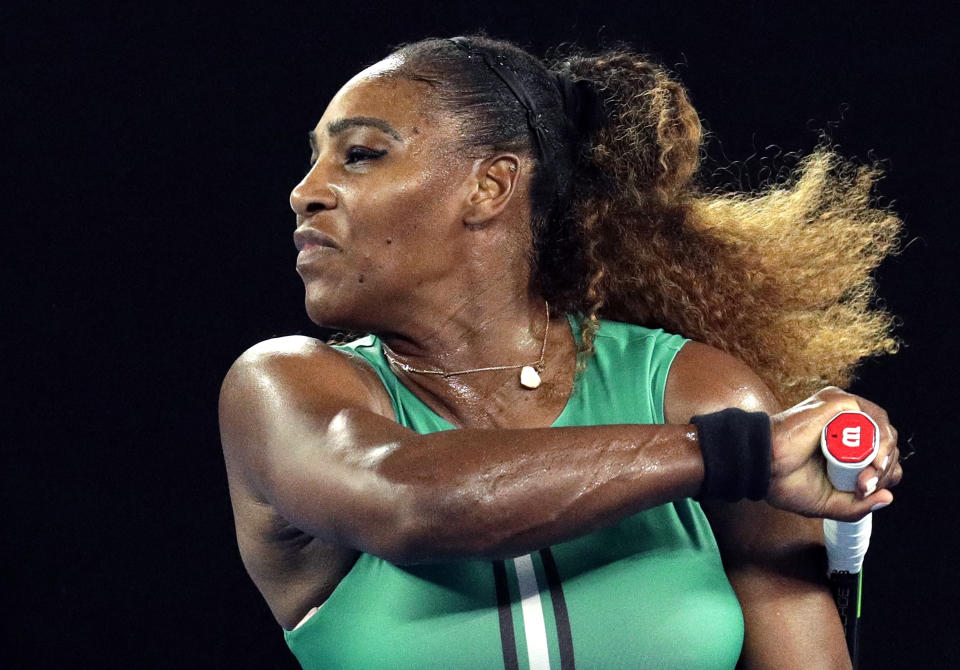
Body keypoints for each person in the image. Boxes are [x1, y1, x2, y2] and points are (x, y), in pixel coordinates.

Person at [218, 34, 904, 669]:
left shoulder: (697, 392)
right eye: (315, 160)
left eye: (360, 154)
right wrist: (732, 454)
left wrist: (742, 443)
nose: (304, 193)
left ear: (490, 186)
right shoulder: (281, 389)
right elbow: (412, 499)